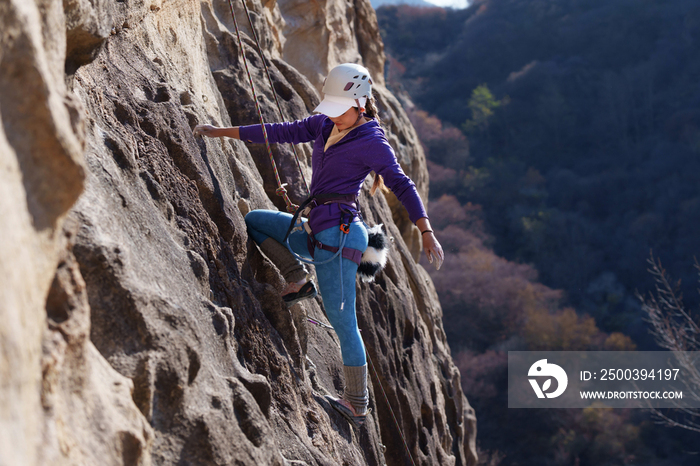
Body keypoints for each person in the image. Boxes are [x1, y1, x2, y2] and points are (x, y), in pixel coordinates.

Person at [194, 63, 444, 427]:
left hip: (343, 237)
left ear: (360, 103)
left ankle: (357, 403)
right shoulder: (325, 124)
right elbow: (279, 132)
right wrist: (221, 132)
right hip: (317, 229)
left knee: (344, 322)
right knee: (256, 222)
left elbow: (401, 184)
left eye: (339, 109)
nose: (333, 116)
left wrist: (425, 229)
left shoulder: (373, 142)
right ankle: (298, 279)